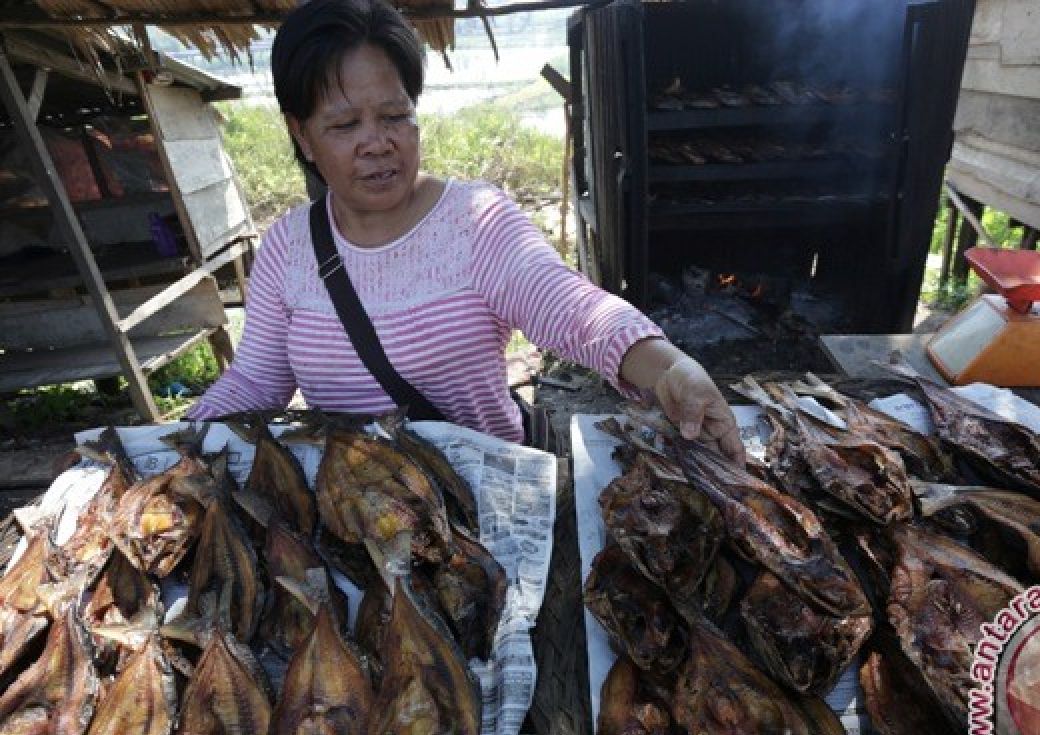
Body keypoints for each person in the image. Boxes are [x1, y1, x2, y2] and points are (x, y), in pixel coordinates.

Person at [188, 0, 744, 463]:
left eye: (394, 116)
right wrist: (170, 446)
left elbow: (573, 309)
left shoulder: (475, 221)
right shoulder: (289, 246)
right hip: (359, 509)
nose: (377, 142)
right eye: (343, 125)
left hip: (492, 496)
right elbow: (258, 382)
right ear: (302, 135)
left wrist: (670, 365)